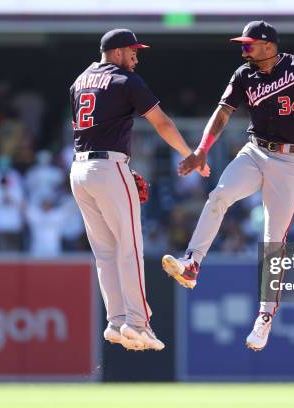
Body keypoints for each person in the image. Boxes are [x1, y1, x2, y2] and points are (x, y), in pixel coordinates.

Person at [162, 21, 294, 351]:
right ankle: (191, 264)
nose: (244, 50)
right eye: (243, 45)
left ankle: (265, 317)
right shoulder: (244, 75)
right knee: (219, 195)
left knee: (273, 240)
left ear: (268, 46)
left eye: (249, 44)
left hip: (288, 162)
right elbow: (223, 112)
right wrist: (201, 150)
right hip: (255, 151)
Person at [69, 29, 208, 352]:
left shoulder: (79, 81)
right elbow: (161, 122)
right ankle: (138, 323)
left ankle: (116, 322)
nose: (136, 57)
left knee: (105, 252)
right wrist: (190, 154)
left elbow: (95, 128)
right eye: (132, 51)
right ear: (116, 52)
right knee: (129, 246)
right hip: (109, 167)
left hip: (79, 171)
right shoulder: (124, 80)